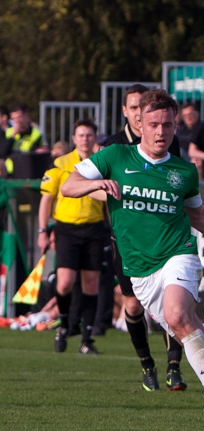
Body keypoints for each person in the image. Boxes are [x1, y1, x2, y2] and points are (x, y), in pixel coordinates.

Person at [62, 89, 204, 422]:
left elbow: (199, 217)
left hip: (178, 254)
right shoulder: (114, 156)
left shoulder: (184, 172)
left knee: (177, 316)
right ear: (139, 124)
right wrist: (98, 184)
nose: (162, 132)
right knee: (191, 333)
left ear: (176, 126)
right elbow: (67, 186)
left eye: (169, 125)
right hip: (140, 270)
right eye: (155, 124)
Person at [103, 83, 184, 392]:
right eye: (134, 108)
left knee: (171, 306)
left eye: (143, 107)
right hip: (127, 242)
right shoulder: (113, 148)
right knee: (134, 307)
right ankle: (147, 364)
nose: (139, 113)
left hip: (164, 239)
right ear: (126, 111)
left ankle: (174, 367)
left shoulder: (167, 142)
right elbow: (89, 187)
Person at [38, 119, 107, 355]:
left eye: (89, 135)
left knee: (91, 283)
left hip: (94, 228)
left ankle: (86, 338)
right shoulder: (61, 162)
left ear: (95, 138)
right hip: (66, 228)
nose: (85, 139)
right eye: (81, 135)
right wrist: (42, 230)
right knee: (65, 282)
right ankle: (65, 325)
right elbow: (46, 198)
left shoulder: (102, 162)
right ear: (74, 138)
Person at [1, 104, 48, 177]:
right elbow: (3, 153)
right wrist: (12, 136)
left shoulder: (36, 134)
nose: (17, 121)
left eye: (19, 117)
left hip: (27, 172)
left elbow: (33, 155)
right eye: (14, 118)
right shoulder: (9, 132)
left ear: (26, 116)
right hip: (9, 172)